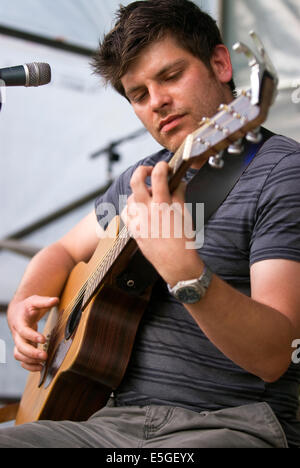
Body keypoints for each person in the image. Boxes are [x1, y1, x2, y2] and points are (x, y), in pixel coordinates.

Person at [1, 0, 300, 448]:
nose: (157, 101)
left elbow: (276, 354)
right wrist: (24, 303)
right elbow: (62, 252)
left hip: (233, 426)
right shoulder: (140, 180)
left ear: (221, 64)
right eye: (138, 95)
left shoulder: (284, 173)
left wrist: (184, 271)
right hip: (110, 423)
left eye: (171, 76)